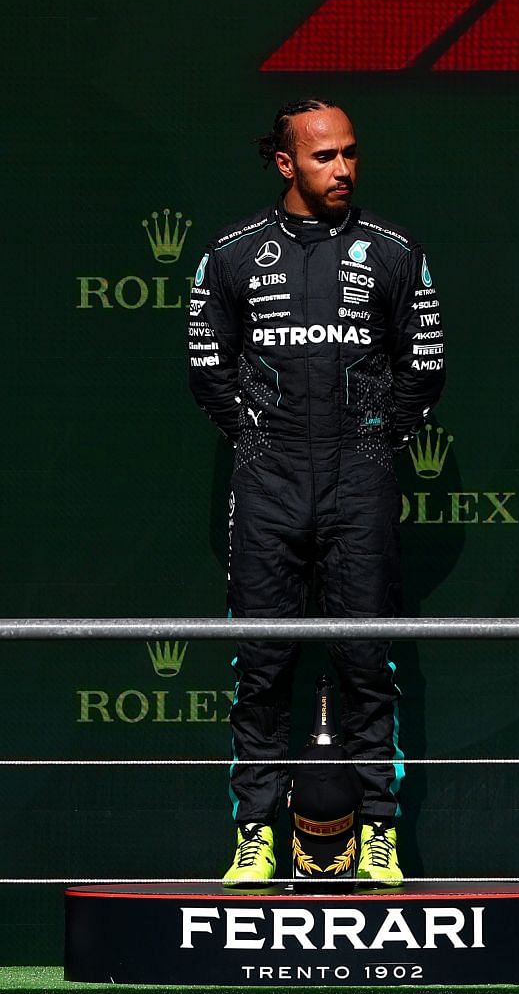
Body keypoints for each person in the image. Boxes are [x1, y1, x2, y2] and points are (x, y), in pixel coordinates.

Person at [188, 99, 445, 886]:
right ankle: (256, 835)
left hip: (358, 484)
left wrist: (370, 446)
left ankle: (378, 834)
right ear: (285, 163)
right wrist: (262, 444)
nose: (343, 170)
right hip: (266, 488)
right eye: (325, 156)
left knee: (367, 663)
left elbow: (424, 369)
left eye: (350, 155)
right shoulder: (230, 255)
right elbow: (207, 370)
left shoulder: (394, 251)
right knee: (262, 666)